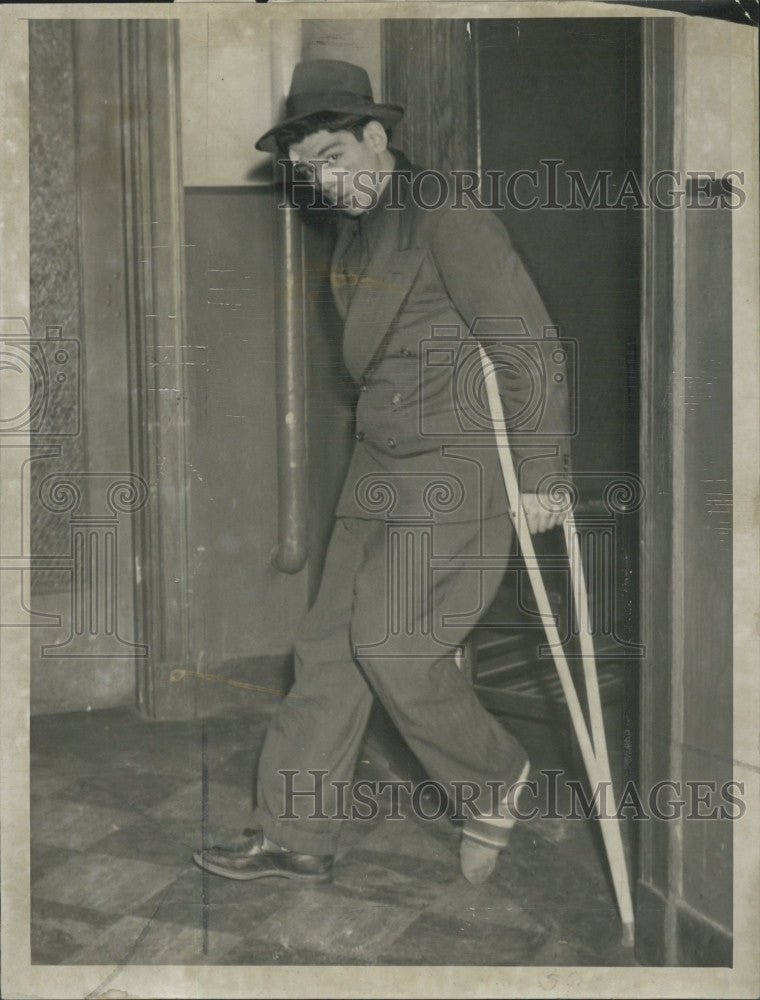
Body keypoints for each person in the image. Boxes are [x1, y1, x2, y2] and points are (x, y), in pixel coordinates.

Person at [193, 59, 572, 887]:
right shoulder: (359, 223)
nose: (323, 181)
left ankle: (494, 775)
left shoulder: (446, 215)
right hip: (381, 458)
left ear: (375, 136)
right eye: (308, 168)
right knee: (328, 648)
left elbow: (528, 345)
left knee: (395, 646)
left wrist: (543, 473)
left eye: (332, 156)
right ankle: (295, 830)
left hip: (458, 464)